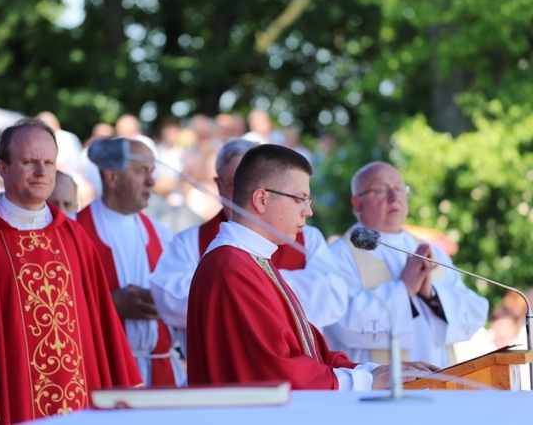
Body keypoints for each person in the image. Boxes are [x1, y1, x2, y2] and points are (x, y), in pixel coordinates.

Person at [0, 119, 142, 425]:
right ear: (3, 168)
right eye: (29, 162)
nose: (41, 172)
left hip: (78, 401)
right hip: (12, 401)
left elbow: (101, 332)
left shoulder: (75, 238)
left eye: (49, 162)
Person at [186, 144, 436, 389]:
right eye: (300, 199)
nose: (308, 211)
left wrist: (373, 371)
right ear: (261, 199)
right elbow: (275, 369)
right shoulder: (231, 267)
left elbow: (309, 351)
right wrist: (366, 381)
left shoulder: (253, 260)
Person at [151, 140, 349, 357]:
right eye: (235, 182)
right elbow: (168, 301)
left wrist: (257, 286)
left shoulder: (307, 237)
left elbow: (332, 298)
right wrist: (259, 284)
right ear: (219, 185)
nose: (244, 192)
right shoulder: (200, 247)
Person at [325, 161, 489, 368]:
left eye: (399, 189)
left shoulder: (432, 252)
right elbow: (341, 321)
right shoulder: (339, 255)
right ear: (358, 203)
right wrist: (404, 289)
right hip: (378, 388)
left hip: (437, 378)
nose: (394, 197)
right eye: (381, 189)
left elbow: (475, 312)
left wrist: (431, 295)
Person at [77, 138, 186, 387]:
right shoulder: (74, 232)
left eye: (152, 172)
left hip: (162, 372)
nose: (151, 181)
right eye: (141, 171)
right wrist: (111, 304)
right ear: (112, 177)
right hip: (102, 374)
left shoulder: (163, 235)